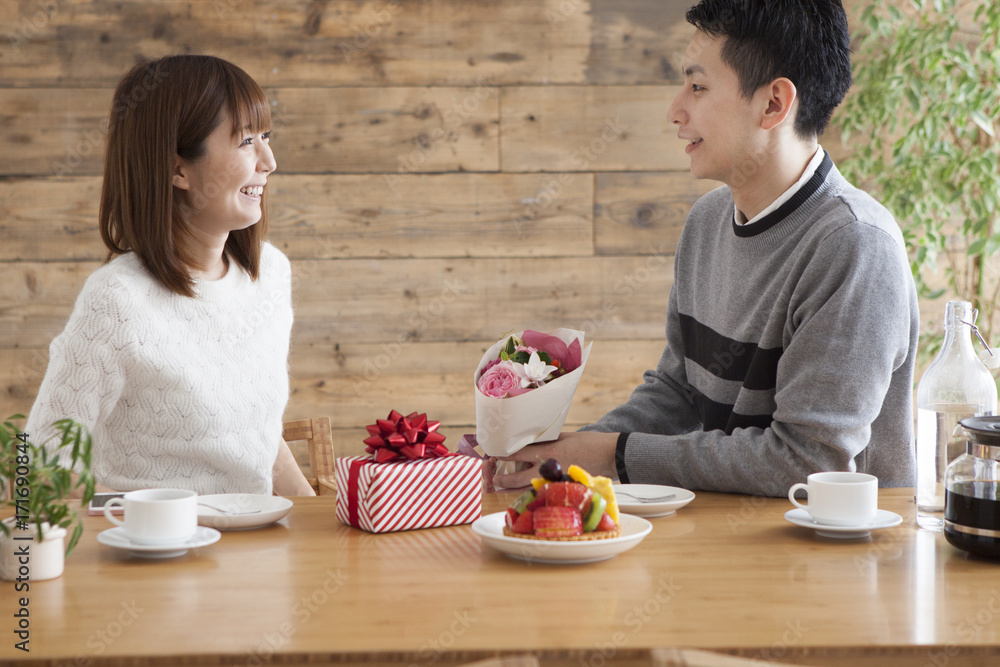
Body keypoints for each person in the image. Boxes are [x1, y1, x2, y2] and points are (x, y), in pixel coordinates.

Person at [496, 0, 919, 497]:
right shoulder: (708, 221)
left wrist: (614, 455)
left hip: (836, 559)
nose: (675, 110)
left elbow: (806, 462)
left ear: (773, 104)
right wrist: (564, 457)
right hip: (727, 539)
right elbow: (678, 394)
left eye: (697, 87)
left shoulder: (855, 246)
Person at [26, 55, 315, 497]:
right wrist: (156, 519)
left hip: (257, 555)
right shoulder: (117, 301)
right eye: (246, 142)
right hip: (157, 558)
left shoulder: (271, 275)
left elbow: (257, 440)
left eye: (266, 138)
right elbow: (44, 464)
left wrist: (315, 528)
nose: (269, 161)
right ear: (178, 168)